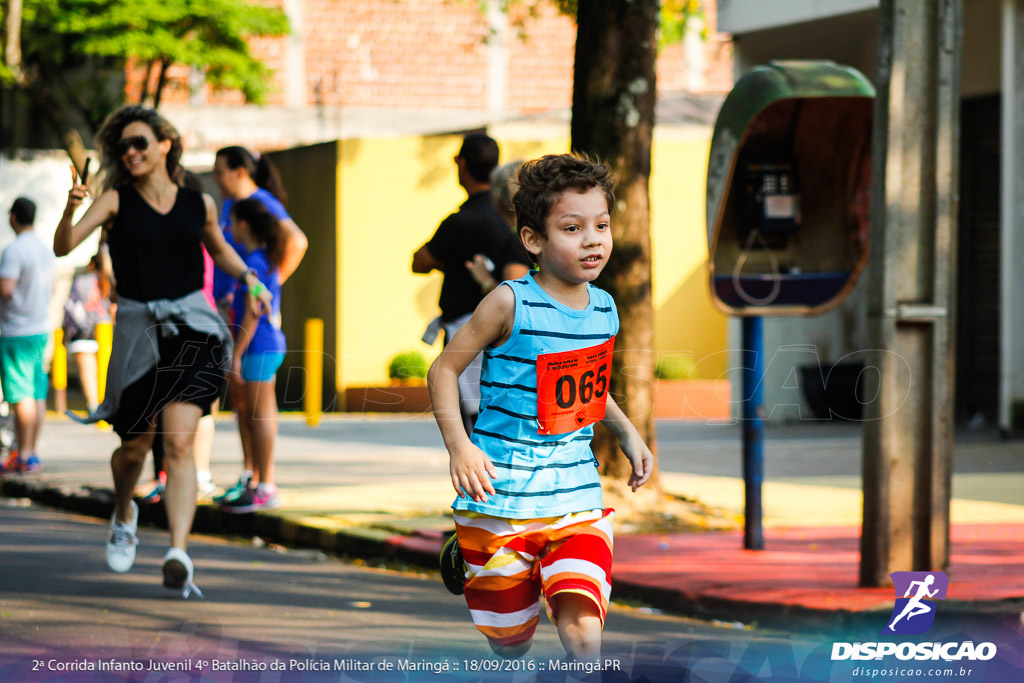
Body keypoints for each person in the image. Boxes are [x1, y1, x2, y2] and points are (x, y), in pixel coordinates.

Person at [428, 153, 654, 663]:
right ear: (533, 240)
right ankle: (468, 555)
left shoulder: (605, 307)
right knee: (511, 641)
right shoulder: (509, 302)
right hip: (499, 496)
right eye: (573, 228)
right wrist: (459, 448)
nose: (593, 238)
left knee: (581, 617)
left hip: (575, 496)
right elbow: (442, 370)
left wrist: (627, 433)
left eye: (602, 225)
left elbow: (589, 385)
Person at [53, 105, 273, 598]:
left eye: (140, 143)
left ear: (164, 145)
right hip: (139, 332)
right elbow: (64, 246)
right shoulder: (114, 201)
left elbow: (219, 249)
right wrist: (72, 206)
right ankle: (124, 509)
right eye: (124, 147)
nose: (131, 152)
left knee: (178, 443)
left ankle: (178, 551)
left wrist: (249, 279)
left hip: (194, 330)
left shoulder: (199, 203)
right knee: (132, 448)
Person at [211, 146, 306, 505]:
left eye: (221, 171)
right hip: (240, 327)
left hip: (255, 336)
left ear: (239, 171)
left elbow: (297, 241)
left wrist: (265, 285)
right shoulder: (233, 211)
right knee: (245, 407)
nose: (217, 179)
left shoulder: (260, 211)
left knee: (259, 409)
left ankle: (265, 484)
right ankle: (253, 478)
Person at [412, 133, 512, 434]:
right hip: (503, 336)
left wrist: (456, 264)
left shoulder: (460, 222)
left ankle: (477, 477)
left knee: (472, 427)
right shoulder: (508, 224)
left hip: (470, 333)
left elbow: (419, 262)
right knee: (491, 418)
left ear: (462, 164)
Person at [220, 198, 287, 513]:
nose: (229, 228)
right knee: (258, 416)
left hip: (258, 347)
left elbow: (255, 310)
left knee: (260, 417)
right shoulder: (260, 260)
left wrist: (236, 353)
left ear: (244, 224)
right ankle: (259, 482)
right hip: (263, 346)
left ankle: (266, 486)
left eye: (232, 221)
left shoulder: (255, 264)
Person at [0, 197, 57, 473]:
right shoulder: (45, 249)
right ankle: (31, 451)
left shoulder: (14, 251)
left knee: (20, 394)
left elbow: (7, 288)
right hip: (40, 328)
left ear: (13, 217)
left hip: (16, 331)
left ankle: (23, 455)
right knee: (36, 392)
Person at [465, 159, 531, 294]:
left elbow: (515, 299)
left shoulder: (518, 240)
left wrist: (485, 279)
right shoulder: (539, 233)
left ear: (498, 198)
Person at [61, 251, 113, 415]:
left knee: (88, 372)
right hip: (108, 330)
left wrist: (65, 331)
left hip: (83, 331)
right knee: (105, 370)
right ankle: (106, 404)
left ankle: (94, 406)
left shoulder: (81, 280)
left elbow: (71, 306)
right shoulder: (111, 281)